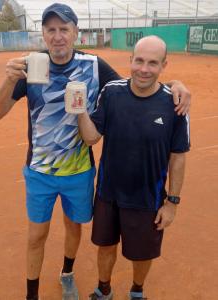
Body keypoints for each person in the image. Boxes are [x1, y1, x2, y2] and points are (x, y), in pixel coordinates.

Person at [0, 3, 190, 299]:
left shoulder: (93, 65)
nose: (58, 36)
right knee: (36, 236)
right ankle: (31, 294)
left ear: (75, 33)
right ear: (43, 34)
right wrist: (9, 79)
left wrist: (175, 85)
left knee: (74, 229)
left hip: (79, 172)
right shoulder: (31, 66)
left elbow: (135, 82)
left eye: (64, 29)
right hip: (39, 172)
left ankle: (67, 274)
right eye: (51, 30)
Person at [77, 36, 190, 300]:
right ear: (130, 61)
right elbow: (92, 138)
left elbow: (178, 157)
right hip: (108, 194)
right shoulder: (112, 92)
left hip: (148, 197)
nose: (144, 69)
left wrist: (172, 202)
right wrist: (80, 111)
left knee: (143, 254)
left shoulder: (175, 105)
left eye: (152, 63)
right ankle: (103, 289)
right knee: (105, 246)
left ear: (164, 65)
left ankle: (137, 291)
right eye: (139, 61)